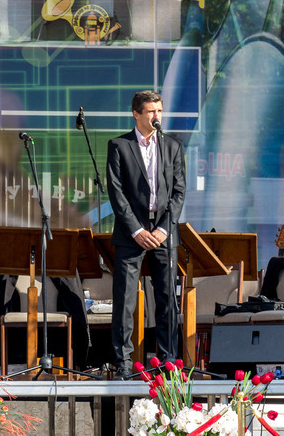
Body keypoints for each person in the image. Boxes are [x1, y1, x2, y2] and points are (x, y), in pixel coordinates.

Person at [106, 90, 186, 378]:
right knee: (125, 299)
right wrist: (137, 230)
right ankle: (123, 362)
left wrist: (164, 229)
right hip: (132, 232)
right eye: (151, 111)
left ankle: (168, 360)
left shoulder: (172, 146)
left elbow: (179, 191)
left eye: (160, 111)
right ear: (136, 114)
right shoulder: (119, 146)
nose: (157, 116)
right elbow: (116, 192)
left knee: (166, 298)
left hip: (164, 231)